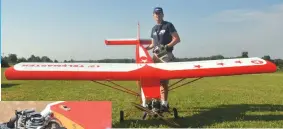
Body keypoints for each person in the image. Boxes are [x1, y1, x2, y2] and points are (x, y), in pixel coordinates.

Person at [146, 7, 181, 112]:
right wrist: (144, 48)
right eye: (156, 14)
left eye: (159, 13)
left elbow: (177, 39)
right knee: (152, 79)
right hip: (155, 56)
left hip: (166, 55)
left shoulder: (168, 25)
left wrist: (166, 47)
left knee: (163, 81)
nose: (158, 15)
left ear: (163, 14)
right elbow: (153, 44)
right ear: (153, 16)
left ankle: (164, 105)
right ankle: (155, 102)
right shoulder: (153, 29)